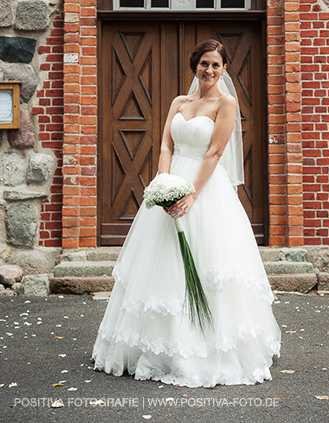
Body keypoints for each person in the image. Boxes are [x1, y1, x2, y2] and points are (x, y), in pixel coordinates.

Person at [93, 39, 281, 387]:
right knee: (162, 267)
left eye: (216, 65)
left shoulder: (225, 104)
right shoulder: (180, 102)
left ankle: (206, 347)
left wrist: (191, 194)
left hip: (206, 190)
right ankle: (156, 346)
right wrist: (164, 184)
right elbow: (166, 145)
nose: (209, 70)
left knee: (209, 263)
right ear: (195, 65)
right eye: (204, 64)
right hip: (172, 181)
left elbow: (213, 153)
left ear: (224, 69)